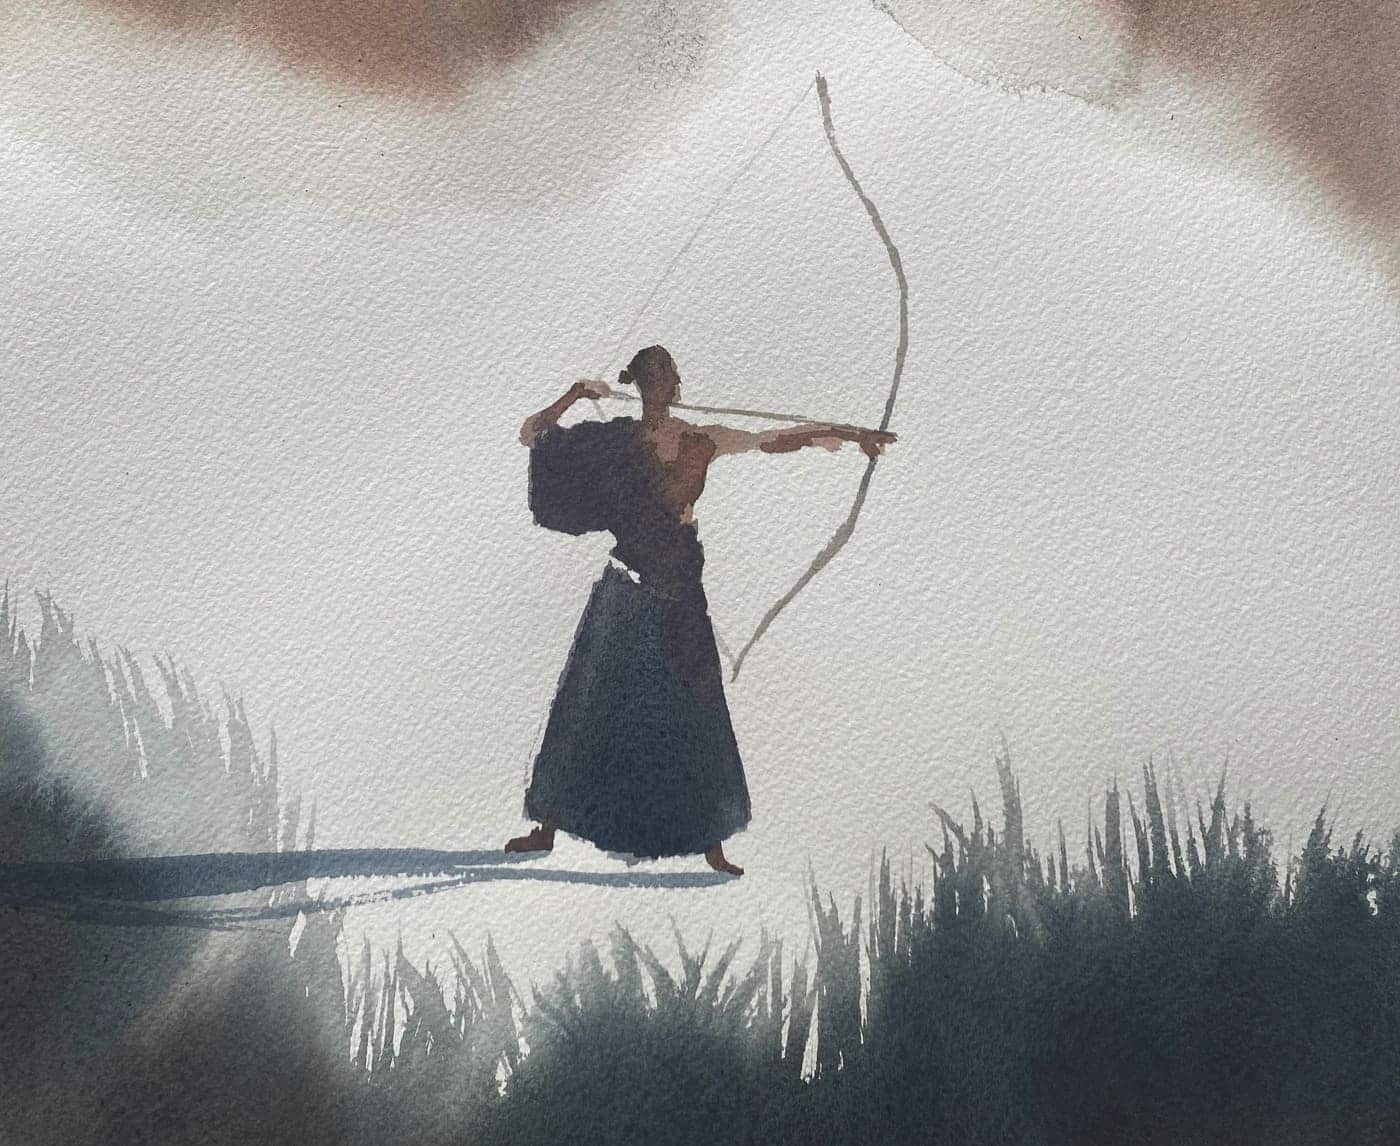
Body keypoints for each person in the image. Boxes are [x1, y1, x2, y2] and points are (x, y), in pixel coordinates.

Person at [506, 345, 895, 876]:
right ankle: (547, 827)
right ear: (640, 383)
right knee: (588, 707)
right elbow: (533, 434)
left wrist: (850, 436)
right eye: (657, 373)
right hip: (628, 589)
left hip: (680, 593)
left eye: (669, 373)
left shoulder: (700, 439)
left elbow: (776, 439)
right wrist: (575, 394)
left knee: (697, 712)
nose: (667, 382)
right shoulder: (618, 438)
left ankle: (711, 843)